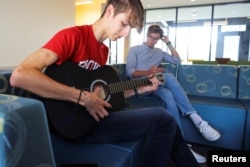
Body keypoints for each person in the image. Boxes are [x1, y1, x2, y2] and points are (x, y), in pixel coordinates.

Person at [10, 0, 199, 167]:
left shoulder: (103, 51)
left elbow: (103, 96)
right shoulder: (72, 36)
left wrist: (139, 90)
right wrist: (81, 97)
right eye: (124, 24)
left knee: (165, 120)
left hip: (92, 119)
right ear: (109, 11)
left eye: (130, 29)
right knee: (163, 119)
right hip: (67, 125)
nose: (125, 33)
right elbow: (20, 75)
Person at [126, 24, 221, 163]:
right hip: (139, 84)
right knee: (168, 76)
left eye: (156, 39)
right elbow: (130, 72)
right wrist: (149, 72)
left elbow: (177, 61)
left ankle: (181, 143)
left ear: (159, 39)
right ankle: (196, 118)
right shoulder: (134, 50)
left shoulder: (159, 52)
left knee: (168, 95)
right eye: (151, 37)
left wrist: (168, 43)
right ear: (147, 34)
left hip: (156, 86)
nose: (152, 41)